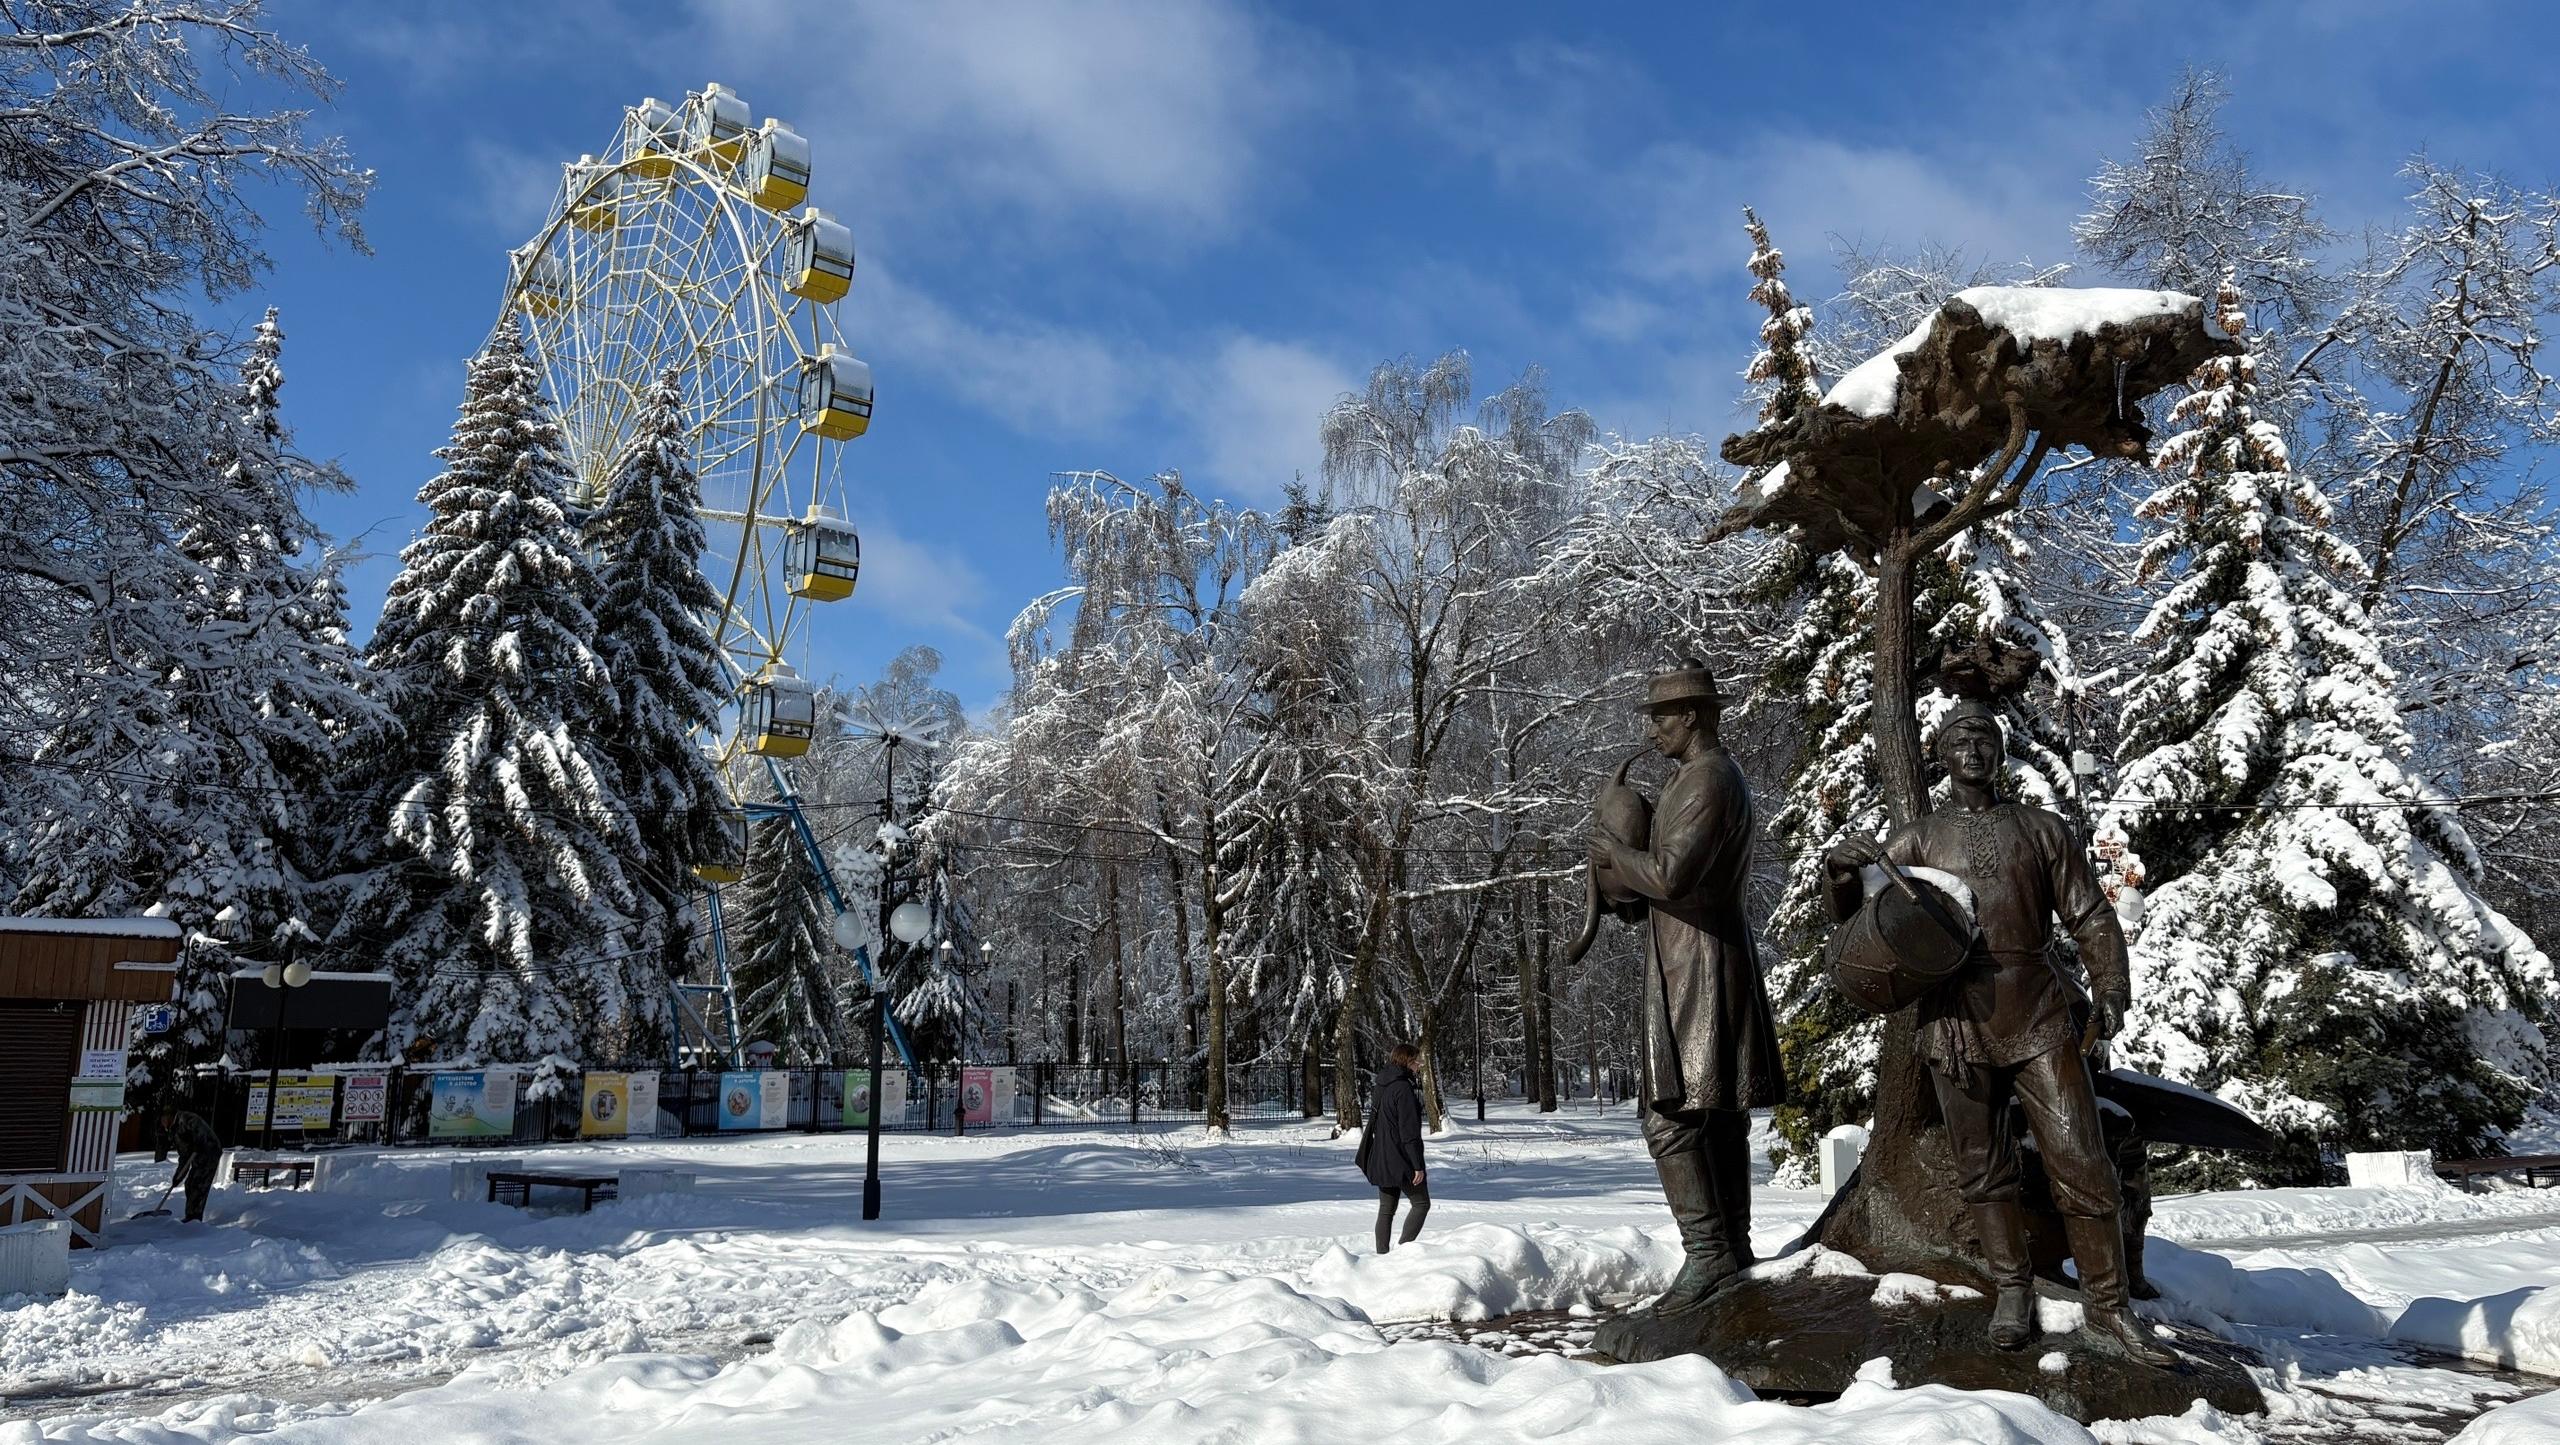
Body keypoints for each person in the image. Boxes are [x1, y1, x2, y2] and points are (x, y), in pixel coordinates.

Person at [1825, 697, 2175, 1367]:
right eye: (1961, 739)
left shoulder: (2041, 829)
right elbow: (1859, 918)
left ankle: (2108, 1307)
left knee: (2082, 1156)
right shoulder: (1917, 838)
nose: (1974, 749)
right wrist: (1840, 869)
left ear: (2000, 751)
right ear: (1942, 754)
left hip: (2037, 1011)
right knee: (1983, 1168)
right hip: (1954, 1021)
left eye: (1985, 737)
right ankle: (2012, 1290)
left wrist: (2111, 985)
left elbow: (2091, 915)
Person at [1593, 659, 1786, 1315]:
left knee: (1670, 1116)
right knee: (1717, 1114)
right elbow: (1669, 884)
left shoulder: (1708, 780)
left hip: (1700, 963)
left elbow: (1672, 875)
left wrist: (1615, 855)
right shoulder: (1692, 779)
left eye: (1662, 717)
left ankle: (1708, 1253)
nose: (1653, 732)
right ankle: (1731, 1251)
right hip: (1691, 955)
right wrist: (1621, 884)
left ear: (1696, 716)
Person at [1359, 1042, 1429, 1253]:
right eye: (1418, 1062)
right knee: (1421, 1204)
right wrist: (1417, 1165)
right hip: (1401, 1158)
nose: (1419, 1066)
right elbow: (1409, 1132)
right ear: (1408, 1062)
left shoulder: (1383, 1084)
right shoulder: (1403, 1089)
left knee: (1386, 1210)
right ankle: (1404, 1251)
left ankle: (1382, 1255)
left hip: (1381, 1155)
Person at [157, 1101, 221, 1223]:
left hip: (209, 1152)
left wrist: (198, 1142)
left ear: (169, 1116)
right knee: (189, 1184)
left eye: (163, 1118)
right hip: (196, 1155)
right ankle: (191, 1215)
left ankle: (194, 1218)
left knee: (198, 1184)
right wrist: (178, 1176)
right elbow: (184, 1156)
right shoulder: (174, 1130)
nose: (162, 1122)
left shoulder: (187, 1119)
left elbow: (201, 1133)